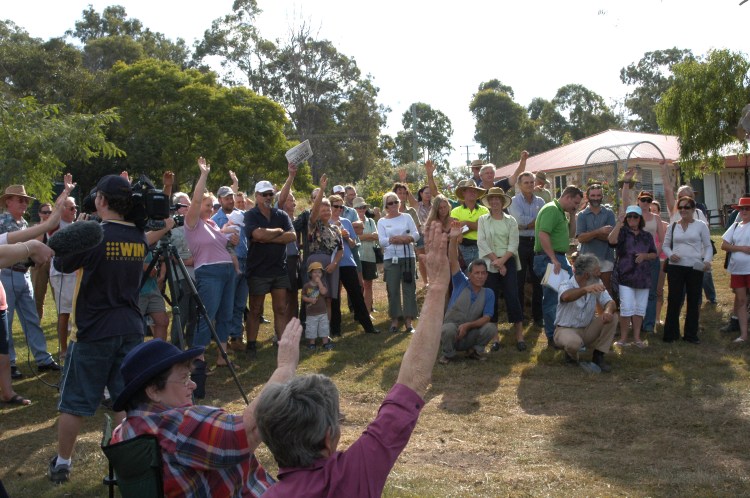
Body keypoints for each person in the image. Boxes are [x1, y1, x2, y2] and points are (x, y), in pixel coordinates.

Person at [254, 220, 450, 497]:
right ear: (327, 439)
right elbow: (412, 382)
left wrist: (284, 369)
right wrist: (438, 285)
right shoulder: (354, 474)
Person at [49, 174, 175, 483]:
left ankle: (63, 462)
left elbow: (61, 263)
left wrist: (79, 226)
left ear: (101, 201)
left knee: (75, 402)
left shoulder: (95, 234)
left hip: (94, 329)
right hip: (130, 327)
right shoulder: (136, 236)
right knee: (125, 398)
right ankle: (131, 462)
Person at [111, 317, 305, 497]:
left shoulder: (123, 431)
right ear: (153, 391)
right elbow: (248, 432)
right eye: (184, 378)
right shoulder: (177, 424)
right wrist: (285, 367)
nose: (193, 385)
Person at [0, 183, 68, 377]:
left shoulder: (23, 223)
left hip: (24, 273)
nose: (24, 203)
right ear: (8, 202)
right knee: (7, 320)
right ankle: (10, 363)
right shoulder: (2, 222)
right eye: (20, 200)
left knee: (32, 318)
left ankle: (43, 359)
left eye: (26, 200)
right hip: (6, 274)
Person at [184, 158, 237, 389]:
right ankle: (198, 361)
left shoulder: (214, 225)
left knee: (225, 314)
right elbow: (195, 200)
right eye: (208, 205)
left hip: (227, 273)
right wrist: (203, 175)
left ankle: (222, 356)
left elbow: (227, 241)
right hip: (210, 274)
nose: (211, 208)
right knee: (207, 316)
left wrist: (231, 239)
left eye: (212, 205)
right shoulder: (192, 223)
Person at [0, 239, 54, 406]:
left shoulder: (23, 223)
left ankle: (7, 392)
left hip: (4, 297)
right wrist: (32, 245)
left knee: (3, 349)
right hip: (9, 277)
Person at [245, 179, 296, 352]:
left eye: (270, 194)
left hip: (279, 269)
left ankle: (281, 343)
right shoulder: (250, 215)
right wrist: (279, 231)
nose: (268, 197)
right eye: (264, 194)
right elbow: (256, 234)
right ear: (257, 196)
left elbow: (292, 236)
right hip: (258, 270)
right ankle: (251, 345)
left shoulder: (280, 215)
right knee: (255, 309)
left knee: (280, 308)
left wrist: (266, 237)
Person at [533, 186, 583, 348]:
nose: (576, 206)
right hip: (549, 259)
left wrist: (573, 215)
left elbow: (570, 235)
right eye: (575, 203)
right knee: (553, 299)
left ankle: (563, 333)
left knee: (566, 296)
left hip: (559, 258)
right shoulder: (552, 210)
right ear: (567, 197)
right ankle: (552, 336)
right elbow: (543, 234)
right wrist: (553, 259)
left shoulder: (561, 212)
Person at [439, 220, 495, 363]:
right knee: (447, 329)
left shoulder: (488, 293)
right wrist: (453, 239)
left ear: (487, 275)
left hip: (469, 332)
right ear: (469, 274)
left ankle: (475, 351)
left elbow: (487, 317)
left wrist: (468, 326)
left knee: (490, 328)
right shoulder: (460, 282)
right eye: (476, 273)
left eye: (483, 273)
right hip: (452, 332)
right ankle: (448, 354)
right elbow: (453, 260)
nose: (480, 276)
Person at [661, 162, 717, 305]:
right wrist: (663, 170)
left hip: (698, 258)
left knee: (696, 293)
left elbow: (706, 234)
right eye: (681, 197)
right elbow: (667, 190)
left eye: (688, 197)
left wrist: (706, 258)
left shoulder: (698, 212)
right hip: (678, 261)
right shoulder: (675, 210)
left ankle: (700, 313)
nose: (684, 201)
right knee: (678, 295)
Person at [477, 187, 525, 351]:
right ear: (489, 202)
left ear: (502, 201)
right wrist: (496, 261)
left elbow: (514, 243)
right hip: (490, 262)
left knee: (513, 295)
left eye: (497, 199)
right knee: (491, 297)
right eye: (491, 199)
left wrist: (503, 261)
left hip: (508, 260)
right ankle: (495, 338)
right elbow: (481, 241)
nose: (494, 201)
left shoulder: (511, 220)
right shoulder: (483, 220)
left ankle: (519, 336)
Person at [554, 253, 618, 373]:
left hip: (587, 329)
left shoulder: (596, 283)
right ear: (587, 274)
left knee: (613, 317)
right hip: (565, 330)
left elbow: (611, 302)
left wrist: (608, 311)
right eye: (597, 271)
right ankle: (571, 357)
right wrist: (584, 290)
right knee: (573, 343)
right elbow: (566, 297)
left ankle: (598, 356)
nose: (600, 274)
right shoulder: (565, 284)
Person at [621, 170, 667, 333]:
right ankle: (635, 323)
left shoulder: (656, 218)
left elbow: (662, 238)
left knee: (652, 292)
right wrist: (626, 182)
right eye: (643, 199)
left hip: (651, 259)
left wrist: (655, 252)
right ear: (638, 201)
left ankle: (648, 325)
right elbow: (625, 202)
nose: (646, 202)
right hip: (633, 259)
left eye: (648, 200)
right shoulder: (633, 214)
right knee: (633, 291)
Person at [662, 196, 712, 344]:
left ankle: (690, 334)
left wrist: (707, 261)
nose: (683, 210)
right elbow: (665, 245)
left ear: (693, 209)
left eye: (687, 207)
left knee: (693, 300)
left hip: (695, 267)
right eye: (681, 207)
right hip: (675, 268)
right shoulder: (673, 226)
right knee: (674, 300)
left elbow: (708, 246)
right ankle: (671, 334)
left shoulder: (701, 225)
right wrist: (671, 255)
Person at [329, 194, 379, 336]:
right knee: (334, 296)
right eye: (336, 206)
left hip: (347, 262)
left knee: (356, 293)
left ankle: (368, 326)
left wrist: (347, 237)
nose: (339, 209)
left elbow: (353, 244)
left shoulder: (346, 222)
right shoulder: (325, 222)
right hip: (333, 263)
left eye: (341, 206)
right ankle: (335, 330)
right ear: (330, 206)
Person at [607, 205, 658, 347]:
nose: (632, 219)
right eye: (629, 216)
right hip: (625, 276)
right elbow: (611, 240)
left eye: (635, 216)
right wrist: (619, 222)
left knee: (639, 309)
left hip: (643, 277)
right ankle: (623, 338)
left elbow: (654, 253)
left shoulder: (646, 236)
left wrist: (645, 256)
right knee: (626, 307)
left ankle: (636, 338)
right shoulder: (622, 232)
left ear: (640, 219)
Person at [507, 171, 545, 328]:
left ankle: (538, 317)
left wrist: (529, 223)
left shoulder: (541, 201)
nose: (529, 185)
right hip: (520, 243)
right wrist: (536, 221)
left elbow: (542, 222)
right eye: (526, 182)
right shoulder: (513, 202)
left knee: (539, 282)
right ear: (519, 185)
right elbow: (518, 222)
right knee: (519, 281)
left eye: (531, 182)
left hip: (537, 243)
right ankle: (519, 317)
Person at [378, 191, 419, 333]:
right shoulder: (382, 221)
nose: (394, 205)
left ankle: (409, 321)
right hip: (390, 258)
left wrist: (407, 239)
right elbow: (381, 241)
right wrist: (392, 239)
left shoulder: (407, 217)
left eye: (396, 201)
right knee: (393, 289)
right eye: (390, 203)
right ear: (386, 206)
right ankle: (395, 319)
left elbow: (416, 234)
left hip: (408, 257)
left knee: (409, 288)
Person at [48, 196, 78, 357]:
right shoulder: (55, 225)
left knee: (79, 311)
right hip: (61, 275)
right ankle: (63, 349)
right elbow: (56, 207)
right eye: (71, 208)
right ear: (62, 210)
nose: (75, 211)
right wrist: (66, 191)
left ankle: (76, 347)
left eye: (75, 207)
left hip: (76, 273)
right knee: (64, 312)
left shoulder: (77, 225)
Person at [576, 183, 616, 295]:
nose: (596, 198)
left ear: (602, 196)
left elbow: (611, 238)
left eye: (598, 195)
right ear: (587, 196)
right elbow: (581, 238)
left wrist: (590, 234)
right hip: (586, 260)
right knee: (587, 291)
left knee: (606, 291)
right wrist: (599, 231)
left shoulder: (609, 213)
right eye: (593, 195)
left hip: (606, 258)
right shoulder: (582, 215)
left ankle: (606, 313)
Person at [168, 192, 197, 345]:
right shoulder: (170, 226)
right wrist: (185, 261)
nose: (188, 208)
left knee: (195, 314)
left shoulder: (196, 225)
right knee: (182, 314)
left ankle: (192, 348)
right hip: (179, 276)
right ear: (176, 208)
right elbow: (164, 251)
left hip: (197, 275)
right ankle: (176, 348)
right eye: (184, 206)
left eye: (189, 205)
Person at [721, 194, 750, 343]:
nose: (744, 211)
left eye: (747, 209)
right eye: (741, 209)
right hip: (738, 269)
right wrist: (742, 248)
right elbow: (724, 245)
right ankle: (743, 334)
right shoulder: (735, 226)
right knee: (741, 300)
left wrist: (736, 248)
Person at [449, 180, 488, 268]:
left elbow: (481, 227)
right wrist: (474, 225)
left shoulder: (485, 210)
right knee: (466, 275)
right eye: (469, 190)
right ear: (464, 193)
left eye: (475, 191)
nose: (472, 193)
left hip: (482, 247)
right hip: (463, 248)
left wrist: (465, 224)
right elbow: (455, 231)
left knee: (481, 276)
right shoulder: (455, 211)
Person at [354, 197, 379, 313]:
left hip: (370, 256)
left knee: (368, 285)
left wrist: (362, 237)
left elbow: (376, 236)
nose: (362, 209)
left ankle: (367, 312)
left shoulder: (371, 221)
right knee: (357, 286)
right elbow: (354, 238)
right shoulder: (352, 222)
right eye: (359, 207)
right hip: (356, 258)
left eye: (363, 207)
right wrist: (368, 236)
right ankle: (359, 312)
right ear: (354, 209)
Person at [31, 202, 53, 321]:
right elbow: (37, 244)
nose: (47, 214)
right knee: (38, 296)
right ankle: (37, 321)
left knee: (58, 294)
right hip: (39, 265)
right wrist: (43, 227)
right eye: (45, 212)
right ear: (39, 213)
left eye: (50, 212)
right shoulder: (35, 228)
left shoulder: (55, 229)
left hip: (53, 264)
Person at [302, 262, 332, 350]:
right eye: (315, 272)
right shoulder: (306, 286)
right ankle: (312, 343)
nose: (317, 274)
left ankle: (325, 342)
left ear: (322, 274)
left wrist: (319, 283)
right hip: (311, 312)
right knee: (311, 328)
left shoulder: (323, 284)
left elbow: (323, 292)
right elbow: (303, 296)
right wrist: (309, 300)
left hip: (322, 312)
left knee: (324, 327)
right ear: (310, 274)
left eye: (319, 272)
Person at [649, 200, 669, 327]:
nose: (651, 213)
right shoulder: (643, 224)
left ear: (659, 213)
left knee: (658, 289)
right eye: (650, 210)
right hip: (646, 260)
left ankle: (657, 317)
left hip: (661, 259)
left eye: (654, 210)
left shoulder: (665, 226)